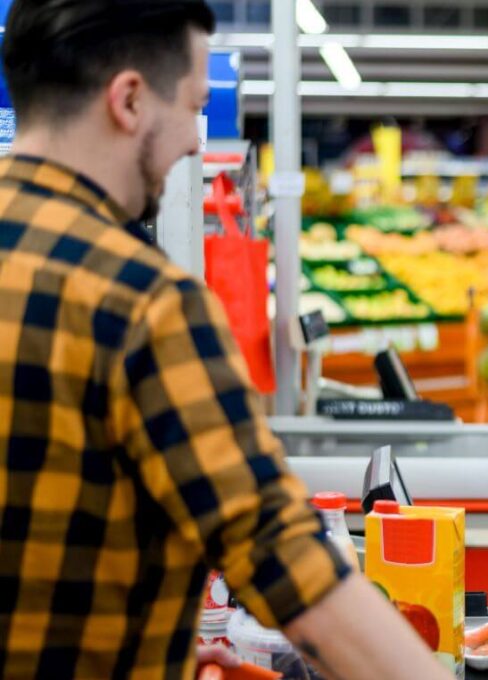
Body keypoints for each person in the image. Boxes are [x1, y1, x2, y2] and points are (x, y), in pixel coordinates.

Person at [0, 2, 452, 679]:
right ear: (128, 100)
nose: (194, 141)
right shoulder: (143, 304)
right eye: (193, 107)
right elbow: (287, 565)